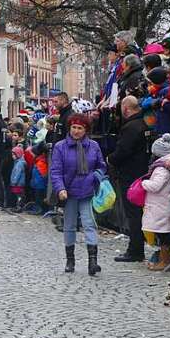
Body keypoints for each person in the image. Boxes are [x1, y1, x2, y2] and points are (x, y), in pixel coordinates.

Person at [50, 114, 107, 275]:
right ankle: (70, 260)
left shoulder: (93, 146)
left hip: (87, 190)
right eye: (74, 127)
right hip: (68, 192)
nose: (76, 131)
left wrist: (95, 176)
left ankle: (93, 261)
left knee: (89, 224)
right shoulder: (61, 147)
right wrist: (60, 188)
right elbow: (55, 171)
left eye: (80, 128)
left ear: (85, 130)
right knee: (69, 226)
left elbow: (101, 166)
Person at [108, 96, 151, 262]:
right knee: (136, 213)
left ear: (126, 109)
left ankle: (135, 250)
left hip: (130, 175)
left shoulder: (131, 127)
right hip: (140, 173)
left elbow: (123, 151)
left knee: (132, 213)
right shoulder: (143, 123)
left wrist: (110, 159)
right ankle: (136, 248)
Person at [142, 134, 170, 271]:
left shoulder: (162, 169)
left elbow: (156, 186)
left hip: (162, 206)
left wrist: (143, 182)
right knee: (163, 234)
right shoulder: (164, 166)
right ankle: (163, 260)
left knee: (164, 235)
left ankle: (165, 261)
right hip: (160, 205)